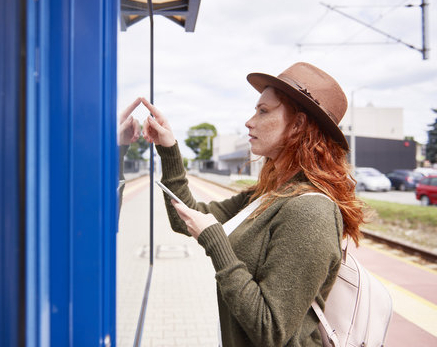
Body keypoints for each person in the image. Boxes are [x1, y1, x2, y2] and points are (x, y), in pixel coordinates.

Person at [140, 62, 366, 347]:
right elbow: (185, 216)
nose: (250, 121)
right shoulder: (270, 194)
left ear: (297, 125)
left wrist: (215, 242)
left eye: (264, 111)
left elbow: (270, 330)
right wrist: (169, 148)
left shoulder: (311, 213)